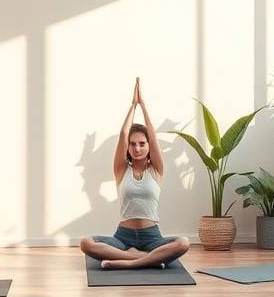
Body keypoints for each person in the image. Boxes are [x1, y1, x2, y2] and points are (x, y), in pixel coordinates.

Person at [79, 78, 190, 270]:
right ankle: (146, 260)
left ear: (149, 146)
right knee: (85, 243)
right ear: (128, 147)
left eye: (142, 143)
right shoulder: (121, 170)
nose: (137, 148)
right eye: (133, 144)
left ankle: (131, 262)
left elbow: (153, 135)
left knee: (184, 243)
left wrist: (144, 106)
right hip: (123, 237)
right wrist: (133, 105)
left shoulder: (156, 170)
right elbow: (123, 134)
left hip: (152, 237)